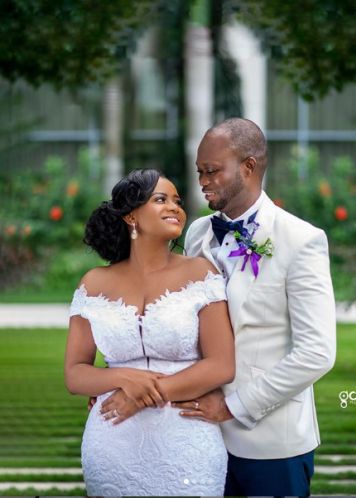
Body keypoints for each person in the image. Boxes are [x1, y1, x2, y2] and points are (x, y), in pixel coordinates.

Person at [173, 117, 336, 496]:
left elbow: (317, 353)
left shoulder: (302, 240)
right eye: (200, 171)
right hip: (197, 436)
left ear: (248, 167)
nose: (203, 181)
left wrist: (232, 407)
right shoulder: (197, 232)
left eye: (212, 171)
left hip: (270, 443)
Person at [64, 168, 235, 497]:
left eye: (177, 201)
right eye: (161, 200)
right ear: (131, 216)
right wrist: (124, 378)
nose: (175, 207)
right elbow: (75, 374)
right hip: (112, 440)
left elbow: (222, 364)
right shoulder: (93, 283)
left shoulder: (201, 273)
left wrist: (141, 396)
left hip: (187, 442)